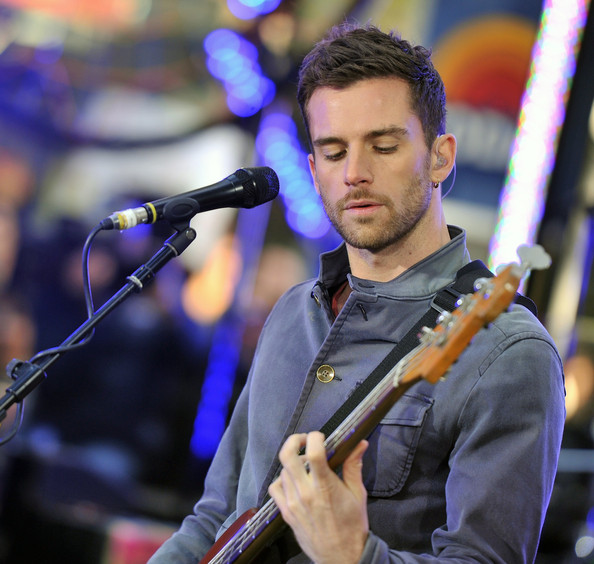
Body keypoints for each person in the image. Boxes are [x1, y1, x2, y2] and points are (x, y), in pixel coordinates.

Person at [148, 21, 565, 563]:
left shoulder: (509, 352)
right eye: (334, 152)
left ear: (441, 156)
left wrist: (353, 553)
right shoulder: (292, 312)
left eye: (384, 146)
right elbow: (215, 517)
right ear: (312, 169)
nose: (356, 174)